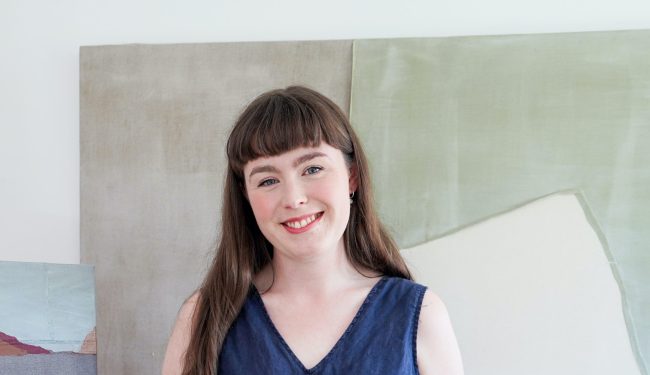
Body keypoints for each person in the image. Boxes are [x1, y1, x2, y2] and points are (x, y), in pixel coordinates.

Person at [162, 86, 464, 375]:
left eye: (312, 169)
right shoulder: (202, 319)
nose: (293, 199)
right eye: (268, 181)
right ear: (246, 196)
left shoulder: (420, 315)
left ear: (351, 177)